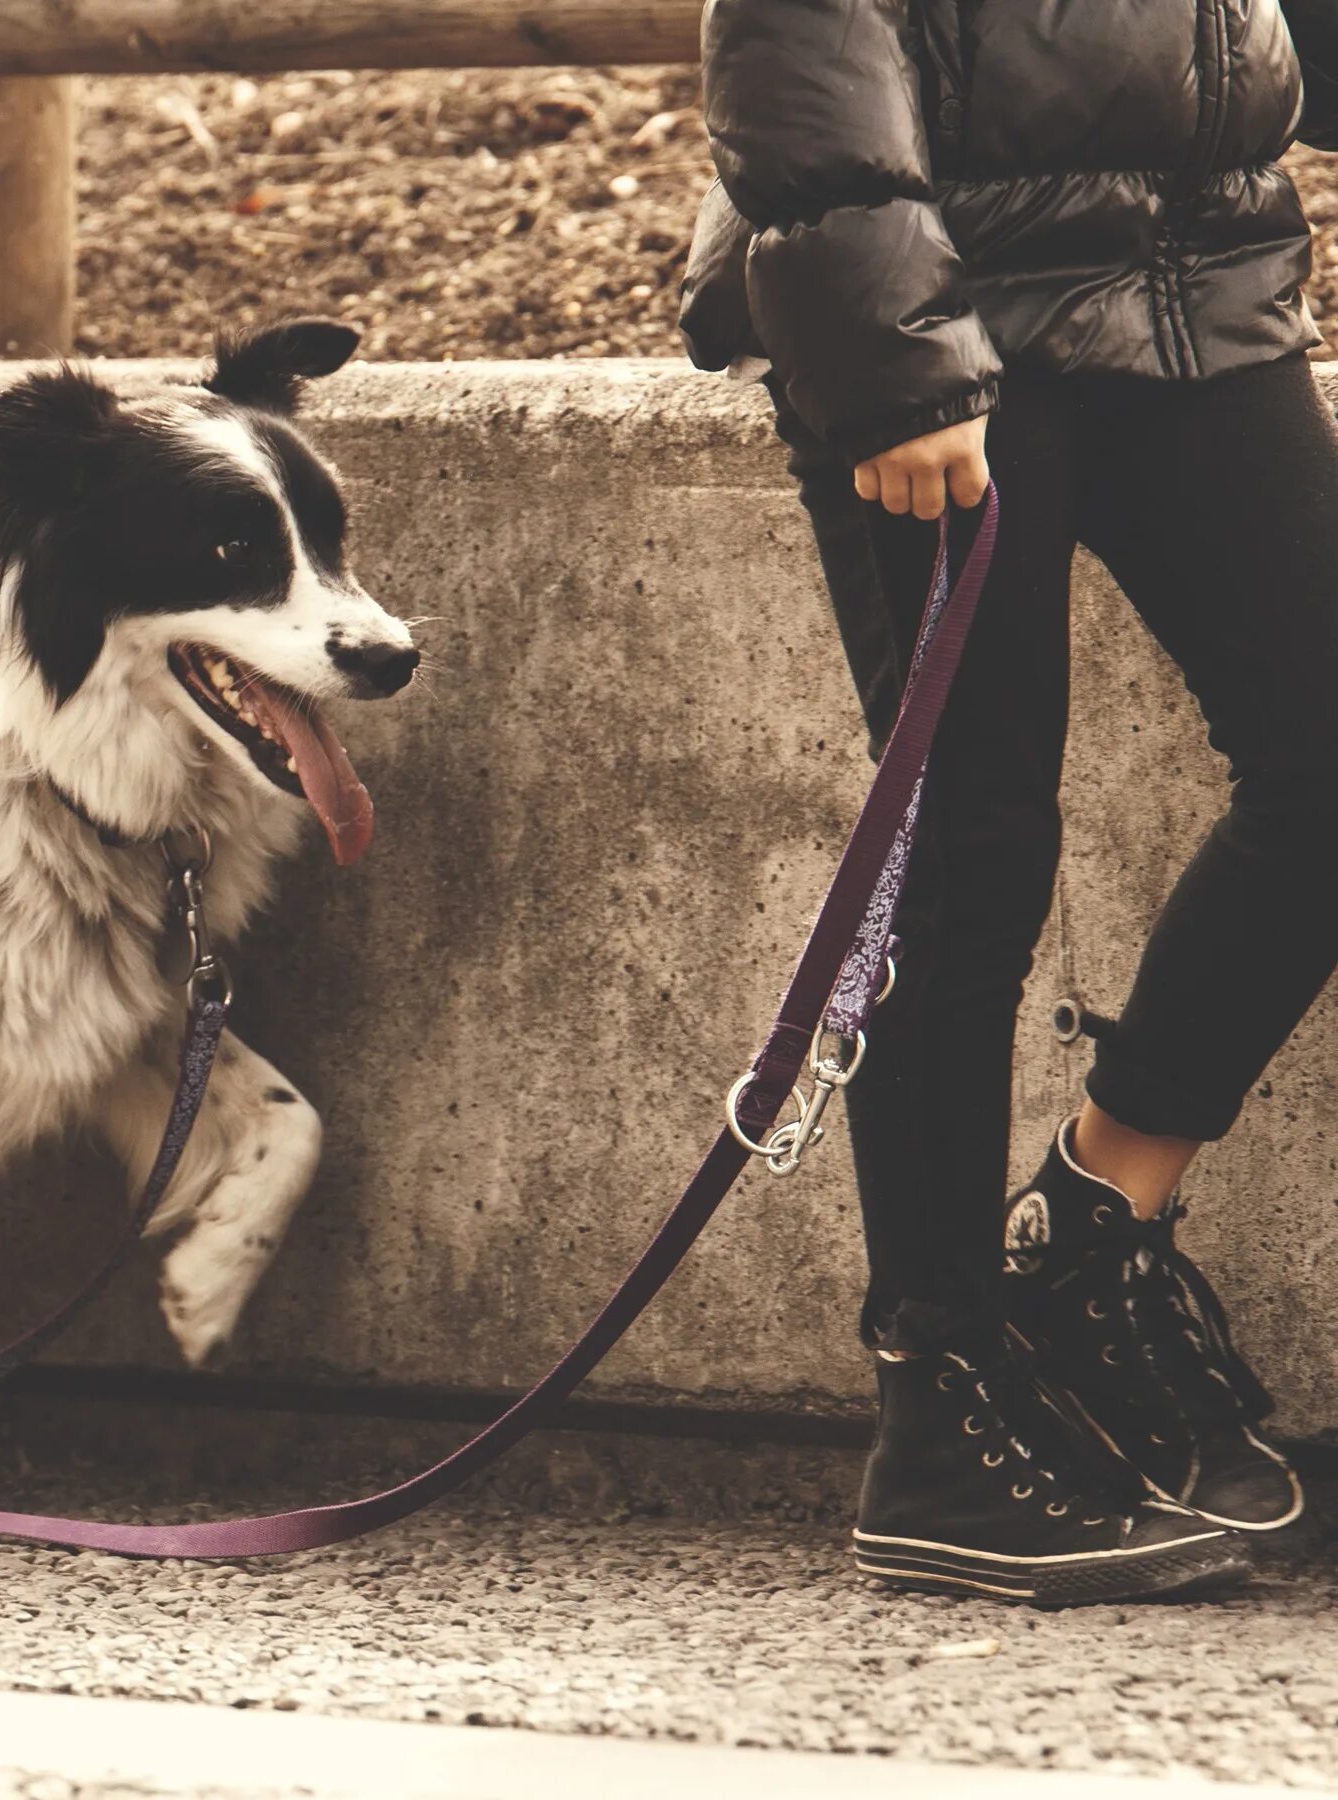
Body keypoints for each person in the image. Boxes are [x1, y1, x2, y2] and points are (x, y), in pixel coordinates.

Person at [680, 0, 1338, 1604]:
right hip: (952, 306)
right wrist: (892, 355)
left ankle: (1095, 1226)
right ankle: (942, 1402)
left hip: (1198, 287)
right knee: (970, 852)